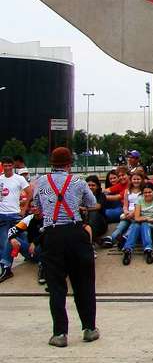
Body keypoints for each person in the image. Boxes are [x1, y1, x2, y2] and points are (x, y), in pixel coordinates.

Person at [32, 147, 99, 347]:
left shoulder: (41, 181)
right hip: (75, 232)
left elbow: (38, 207)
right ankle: (89, 329)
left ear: (52, 164)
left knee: (56, 286)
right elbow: (92, 202)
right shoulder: (78, 181)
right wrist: (76, 205)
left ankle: (60, 333)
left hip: (52, 234)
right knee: (84, 283)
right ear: (70, 164)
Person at [0, 157, 33, 282]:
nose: (7, 168)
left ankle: (31, 256)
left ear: (13, 166)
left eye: (9, 165)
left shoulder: (19, 179)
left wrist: (24, 209)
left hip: (15, 215)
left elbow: (30, 192)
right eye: (5, 165)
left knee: (22, 240)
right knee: (4, 242)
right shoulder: (0, 179)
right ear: (2, 166)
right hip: (2, 215)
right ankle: (6, 267)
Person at [121, 183, 153, 265]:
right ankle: (128, 250)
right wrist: (147, 219)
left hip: (151, 226)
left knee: (143, 224)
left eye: (149, 192)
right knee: (138, 224)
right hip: (139, 222)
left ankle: (147, 250)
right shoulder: (139, 200)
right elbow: (137, 217)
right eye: (145, 193)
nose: (147, 194)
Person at [100, 172, 143, 248]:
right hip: (128, 213)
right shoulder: (127, 191)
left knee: (133, 225)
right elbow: (125, 205)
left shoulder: (143, 192)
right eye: (134, 179)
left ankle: (125, 238)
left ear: (142, 180)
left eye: (138, 179)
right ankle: (111, 239)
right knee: (121, 226)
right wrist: (126, 212)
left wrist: (132, 214)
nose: (136, 181)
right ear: (131, 180)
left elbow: (142, 205)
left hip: (138, 214)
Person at [81, 176, 108, 243]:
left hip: (100, 223)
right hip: (86, 223)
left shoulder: (101, 195)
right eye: (88, 185)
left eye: (93, 185)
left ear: (97, 186)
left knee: (93, 213)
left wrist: (84, 208)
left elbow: (98, 206)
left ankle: (92, 240)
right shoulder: (81, 196)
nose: (90, 187)